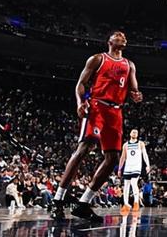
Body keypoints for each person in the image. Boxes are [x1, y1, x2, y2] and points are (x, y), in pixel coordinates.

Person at [51, 31, 143, 223]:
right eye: (117, 35)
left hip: (116, 112)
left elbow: (134, 89)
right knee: (84, 149)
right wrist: (80, 102)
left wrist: (136, 95)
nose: (122, 36)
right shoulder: (98, 59)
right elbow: (81, 84)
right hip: (97, 107)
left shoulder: (129, 65)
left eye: (124, 35)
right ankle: (58, 199)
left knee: (113, 158)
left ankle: (84, 203)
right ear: (109, 41)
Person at [118, 129, 151, 214]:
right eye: (133, 132)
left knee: (133, 183)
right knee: (126, 186)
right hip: (128, 167)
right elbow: (122, 157)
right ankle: (126, 204)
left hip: (136, 167)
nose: (135, 133)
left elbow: (145, 155)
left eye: (136, 132)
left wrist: (148, 165)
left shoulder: (140, 143)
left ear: (137, 135)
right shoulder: (125, 145)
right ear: (130, 134)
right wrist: (119, 169)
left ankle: (136, 202)